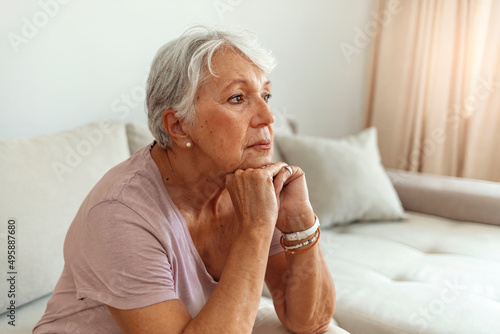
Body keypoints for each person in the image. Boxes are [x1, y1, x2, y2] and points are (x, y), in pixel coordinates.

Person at [33, 26, 336, 334]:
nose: (268, 116)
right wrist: (256, 228)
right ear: (178, 127)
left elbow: (311, 322)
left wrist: (300, 221)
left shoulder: (250, 186)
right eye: (238, 98)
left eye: (266, 95)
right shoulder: (119, 213)